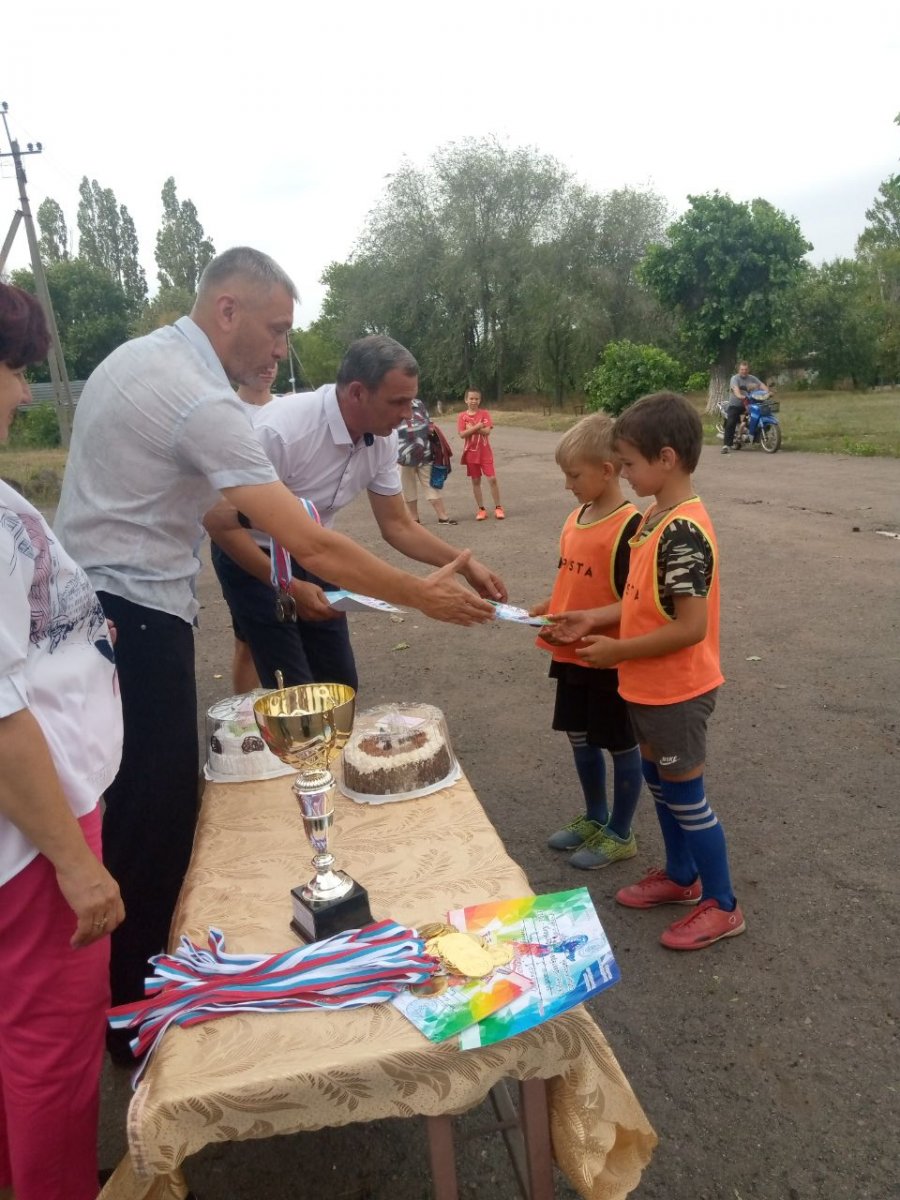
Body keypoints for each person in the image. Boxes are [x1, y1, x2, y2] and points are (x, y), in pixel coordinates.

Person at [53, 247, 495, 1053]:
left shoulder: (144, 360)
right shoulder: (202, 401)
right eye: (277, 327)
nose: (283, 348)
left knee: (130, 809)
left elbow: (322, 529)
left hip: (102, 605)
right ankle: (137, 1014)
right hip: (134, 609)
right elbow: (299, 540)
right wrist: (418, 594)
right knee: (155, 817)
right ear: (228, 310)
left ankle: (127, 990)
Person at [0, 282, 125, 1199]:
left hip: (31, 820)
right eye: (10, 371)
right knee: (53, 1039)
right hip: (34, 832)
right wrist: (74, 863)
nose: (18, 395)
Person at [551, 392, 745, 950]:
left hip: (677, 691)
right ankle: (682, 879)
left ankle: (723, 903)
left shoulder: (683, 531)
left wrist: (618, 652)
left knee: (688, 797)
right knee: (662, 787)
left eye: (630, 463)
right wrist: (595, 616)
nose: (626, 474)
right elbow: (640, 602)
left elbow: (689, 628)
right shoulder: (655, 518)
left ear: (667, 459)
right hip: (649, 689)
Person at [204, 339, 506, 691]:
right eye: (398, 402)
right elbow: (216, 520)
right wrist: (285, 584)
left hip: (319, 553)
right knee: (292, 690)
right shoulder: (282, 431)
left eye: (411, 400)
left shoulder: (383, 436)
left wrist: (465, 563)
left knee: (340, 685)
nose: (408, 414)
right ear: (358, 393)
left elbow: (397, 525)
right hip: (253, 552)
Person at [530, 413, 644, 869]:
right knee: (579, 737)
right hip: (570, 652)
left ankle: (621, 831)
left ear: (607, 470)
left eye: (573, 475)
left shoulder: (631, 527)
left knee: (620, 743)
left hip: (608, 659)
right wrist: (545, 606)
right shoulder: (576, 517)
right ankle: (595, 816)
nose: (567, 486)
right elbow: (575, 581)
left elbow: (638, 605)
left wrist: (597, 628)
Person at [231, 365, 279, 691]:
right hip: (243, 538)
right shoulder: (229, 413)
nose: (268, 369)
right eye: (259, 365)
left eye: (273, 363)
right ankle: (242, 720)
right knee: (247, 642)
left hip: (286, 537)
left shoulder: (284, 409)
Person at [396, 396, 457, 526]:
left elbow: (429, 422)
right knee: (408, 489)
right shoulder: (391, 406)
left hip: (425, 454)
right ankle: (414, 520)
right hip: (403, 458)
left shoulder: (418, 404)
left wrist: (431, 430)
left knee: (431, 485)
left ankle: (443, 517)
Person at [457, 387, 505, 520]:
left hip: (485, 453)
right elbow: (462, 434)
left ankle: (498, 507)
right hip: (471, 454)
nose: (474, 401)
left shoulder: (484, 414)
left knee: (492, 479)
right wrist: (478, 427)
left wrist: (473, 428)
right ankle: (481, 509)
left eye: (476, 399)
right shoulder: (462, 416)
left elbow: (487, 431)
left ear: (480, 400)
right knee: (476, 480)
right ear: (466, 400)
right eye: (471, 398)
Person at [722, 361, 769, 454]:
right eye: (742, 369)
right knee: (731, 421)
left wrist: (767, 393)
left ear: (748, 370)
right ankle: (726, 445)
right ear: (739, 370)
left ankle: (756, 437)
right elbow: (735, 390)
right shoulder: (734, 378)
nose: (744, 371)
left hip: (749, 404)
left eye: (746, 369)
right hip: (736, 404)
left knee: (761, 414)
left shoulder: (752, 378)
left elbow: (762, 385)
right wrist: (740, 395)